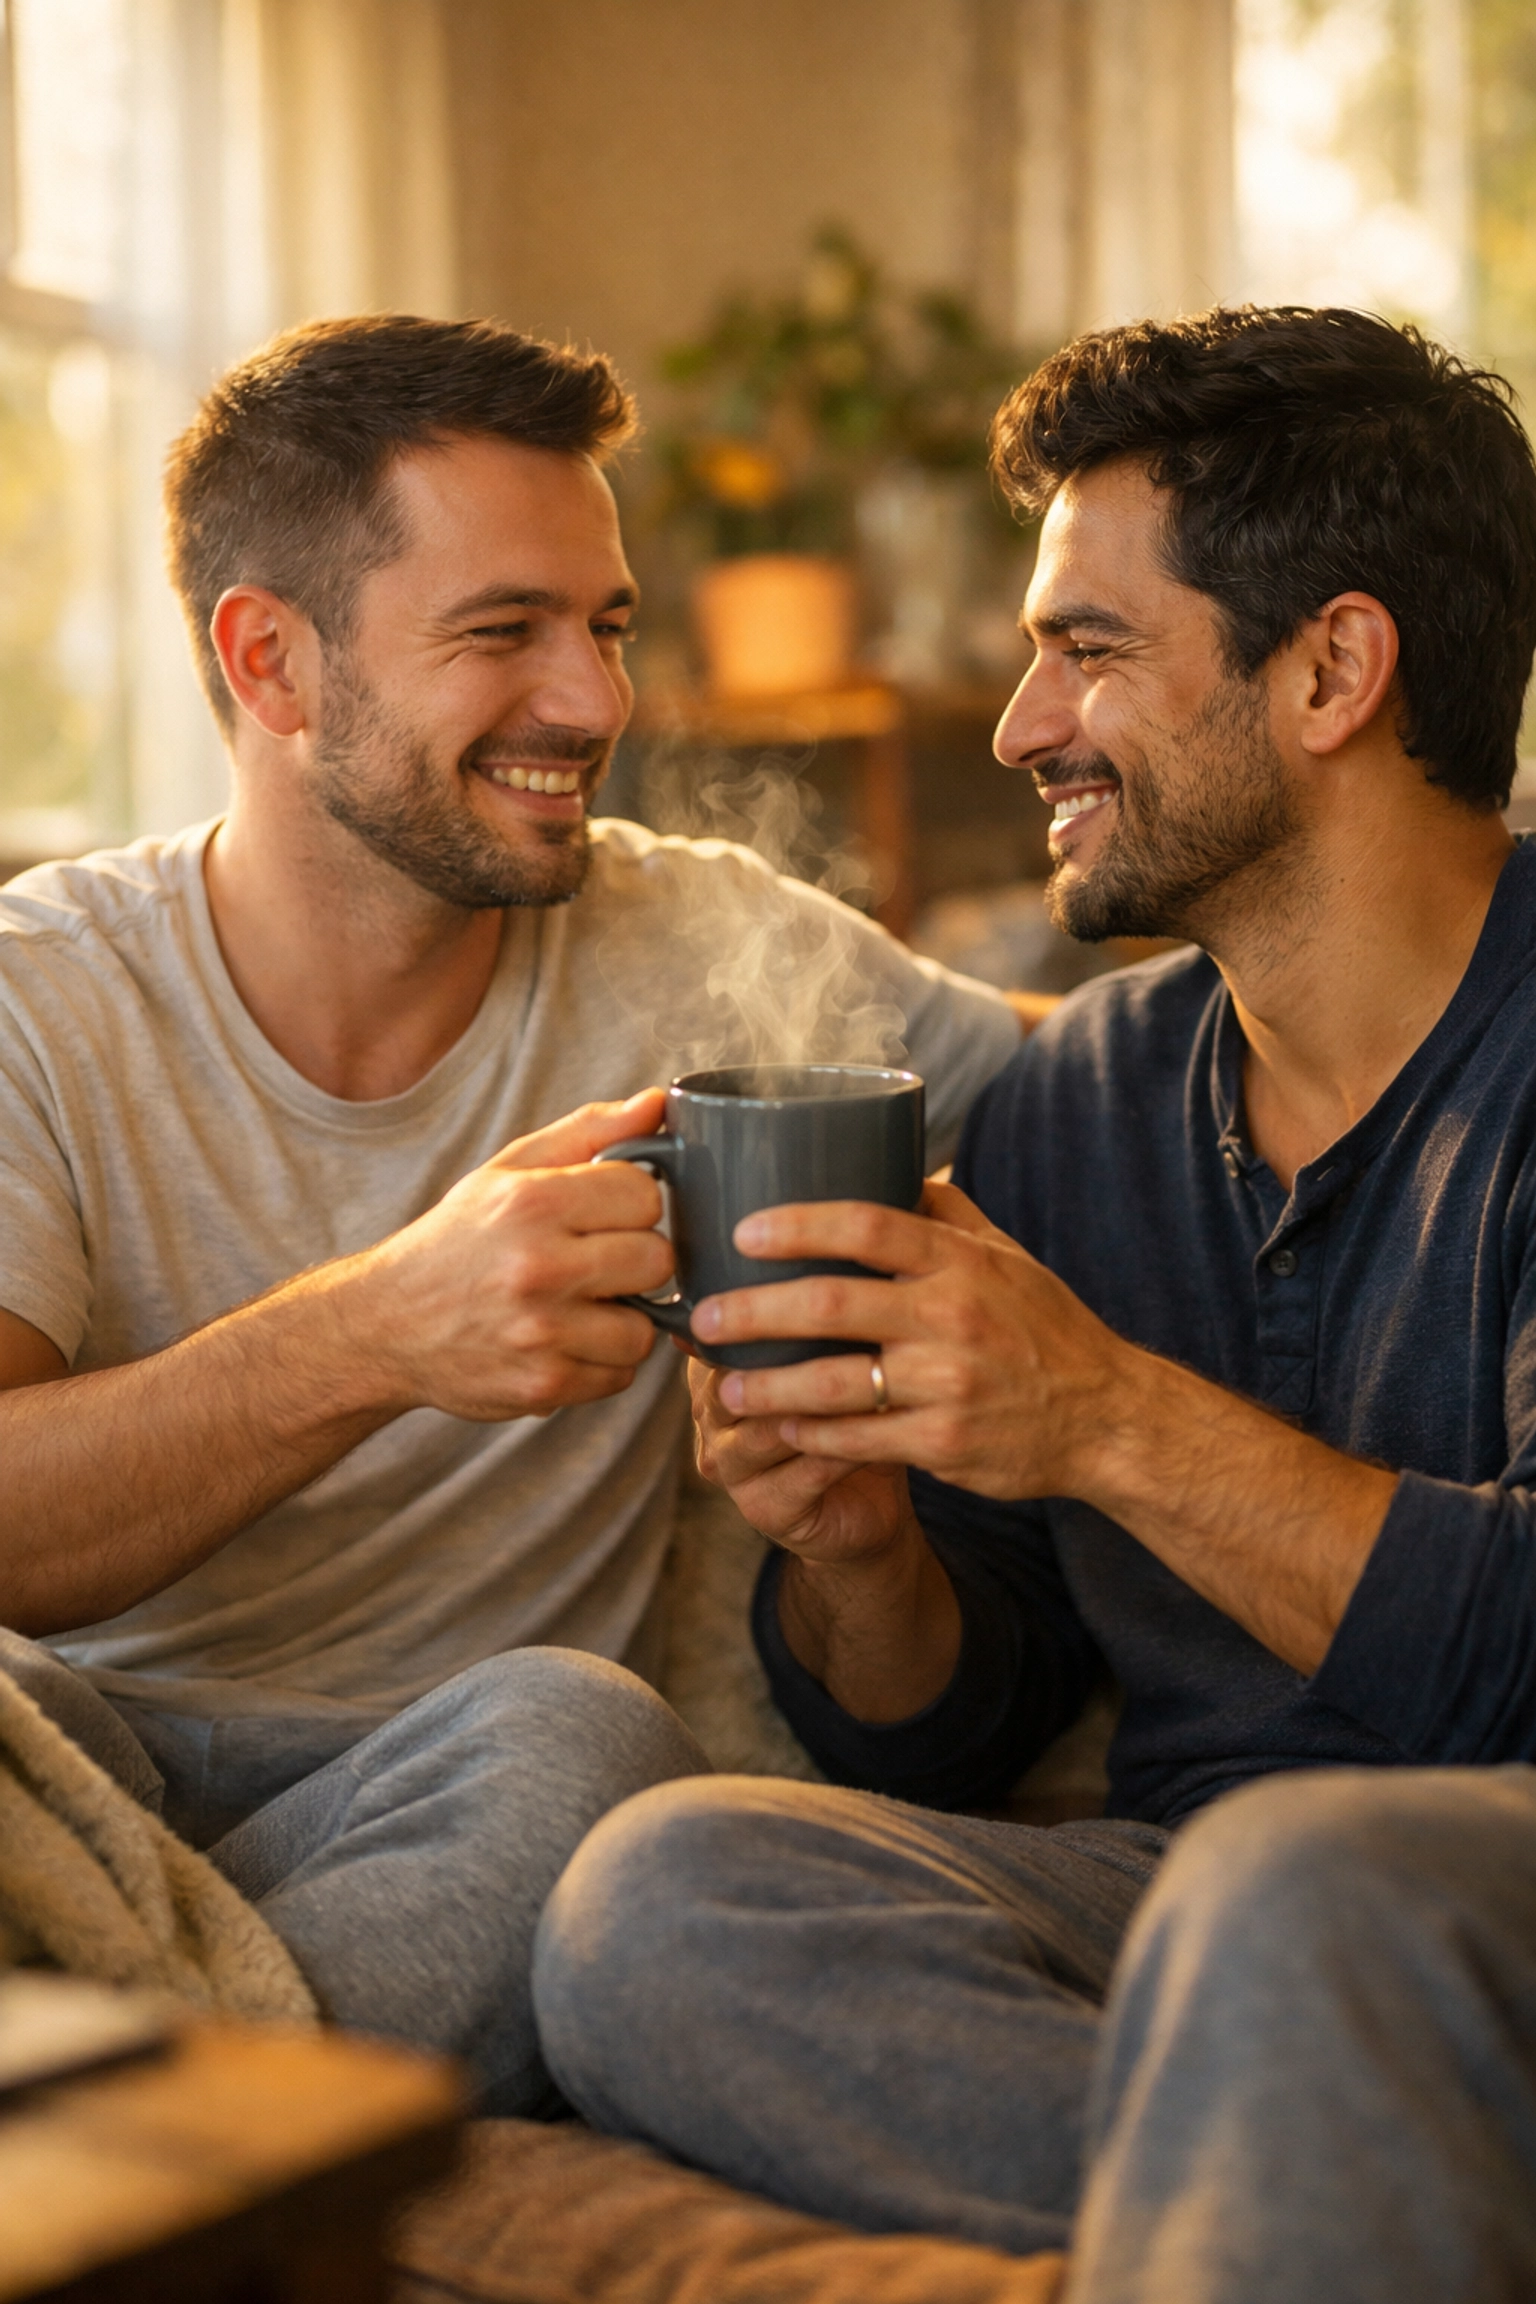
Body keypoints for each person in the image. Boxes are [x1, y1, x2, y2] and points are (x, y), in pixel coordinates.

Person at [528, 304, 1536, 2284]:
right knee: (660, 1899)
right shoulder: (1087, 1092)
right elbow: (958, 1733)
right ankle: (1340, 2190)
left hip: (1431, 1889)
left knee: (1302, 1898)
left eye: (1085, 649)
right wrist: (859, 1547)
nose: (1018, 729)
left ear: (1333, 667)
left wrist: (1102, 1412)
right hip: (1180, 1900)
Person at [0, 314, 1020, 2103]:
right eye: (504, 633)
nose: (595, 702)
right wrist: (377, 1332)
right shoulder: (43, 999)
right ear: (274, 665)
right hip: (82, 1783)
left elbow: (1119, 1079)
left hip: (454, 1803)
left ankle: (156, 2136)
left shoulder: (706, 943)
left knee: (586, 1745)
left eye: (607, 628)